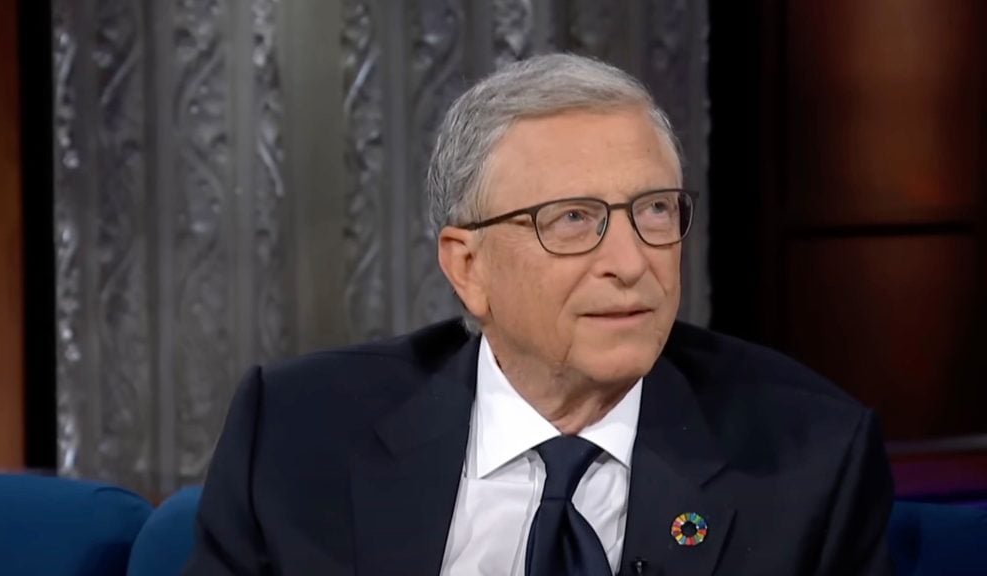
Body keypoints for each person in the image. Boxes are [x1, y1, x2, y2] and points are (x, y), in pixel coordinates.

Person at [185, 54, 894, 576]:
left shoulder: (810, 459)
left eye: (653, 210)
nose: (631, 259)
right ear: (469, 267)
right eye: (574, 219)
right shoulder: (296, 433)